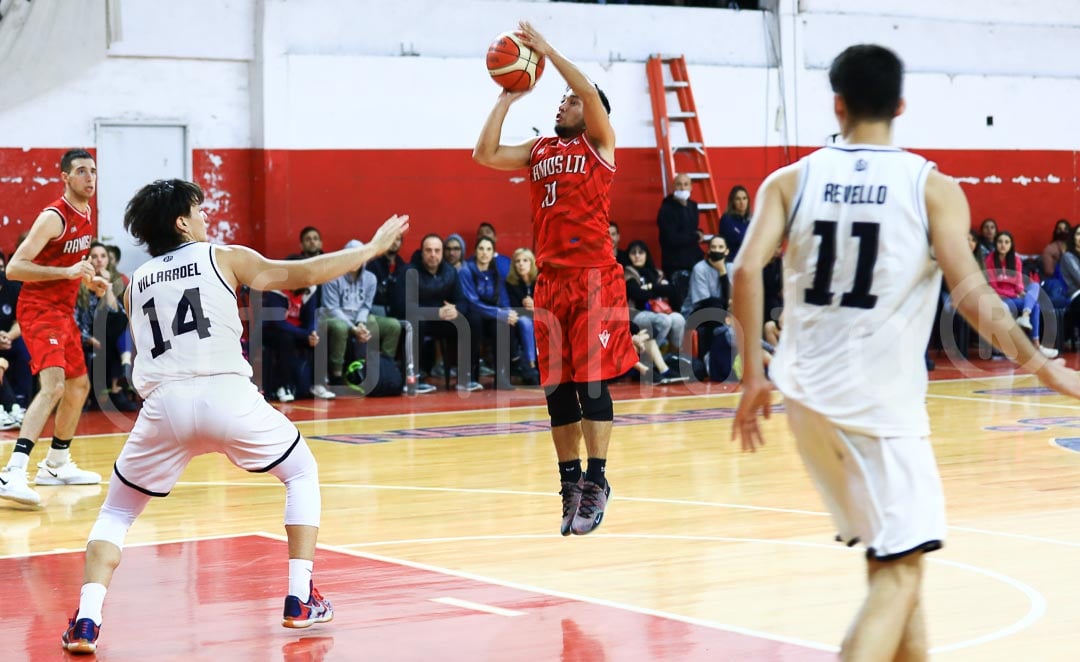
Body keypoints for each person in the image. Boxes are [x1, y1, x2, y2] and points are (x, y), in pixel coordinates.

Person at [731, 44, 1080, 661]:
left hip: (805, 401)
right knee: (901, 575)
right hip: (880, 411)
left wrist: (753, 373)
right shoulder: (931, 187)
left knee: (894, 561)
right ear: (900, 105)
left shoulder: (789, 181)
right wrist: (1044, 364)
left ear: (836, 103)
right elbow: (974, 298)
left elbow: (743, 272)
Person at [59, 178, 409, 653]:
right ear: (182, 222)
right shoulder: (222, 256)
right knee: (301, 470)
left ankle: (86, 620)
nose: (206, 217)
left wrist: (106, 291)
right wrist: (369, 249)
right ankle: (299, 597)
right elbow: (303, 272)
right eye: (199, 210)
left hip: (163, 406)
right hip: (226, 392)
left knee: (117, 512)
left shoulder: (135, 282)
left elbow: (134, 317)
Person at [474, 21, 637, 536]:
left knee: (592, 383)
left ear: (590, 113)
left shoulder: (600, 145)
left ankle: (597, 479)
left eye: (569, 101)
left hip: (594, 280)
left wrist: (547, 51)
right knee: (557, 391)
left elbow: (588, 90)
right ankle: (569, 483)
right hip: (551, 283)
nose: (562, 104)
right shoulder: (541, 148)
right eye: (561, 99)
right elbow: (485, 154)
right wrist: (508, 95)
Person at [0, 149, 107, 507]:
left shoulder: (88, 213)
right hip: (38, 310)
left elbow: (73, 263)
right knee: (55, 385)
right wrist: (65, 274)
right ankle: (12, 471)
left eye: (92, 171)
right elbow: (15, 268)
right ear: (64, 177)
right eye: (81, 171)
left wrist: (88, 281)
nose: (89, 177)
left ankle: (56, 463)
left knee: (79, 385)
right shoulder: (53, 217)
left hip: (62, 310)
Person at [322, 239, 402, 385]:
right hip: (333, 318)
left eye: (357, 256)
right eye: (350, 256)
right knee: (340, 328)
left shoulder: (371, 278)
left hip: (359, 319)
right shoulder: (332, 276)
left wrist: (360, 323)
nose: (354, 261)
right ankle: (336, 375)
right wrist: (353, 328)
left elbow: (365, 306)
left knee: (393, 325)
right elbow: (332, 308)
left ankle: (383, 368)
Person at [985, 230, 1057, 358]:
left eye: (1006, 242)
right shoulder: (990, 260)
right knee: (1026, 304)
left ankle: (1034, 341)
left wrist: (1021, 292)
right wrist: (1013, 293)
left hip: (1014, 296)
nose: (1003, 245)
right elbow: (993, 287)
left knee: (1034, 291)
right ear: (995, 244)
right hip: (1000, 298)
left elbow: (1019, 284)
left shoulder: (1016, 260)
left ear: (1011, 245)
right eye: (1000, 242)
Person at [656, 173, 703, 279]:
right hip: (675, 264)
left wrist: (699, 232)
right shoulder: (666, 209)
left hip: (693, 261)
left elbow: (691, 228)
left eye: (686, 184)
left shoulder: (693, 206)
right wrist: (696, 236)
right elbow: (671, 239)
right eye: (679, 184)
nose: (682, 188)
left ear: (691, 187)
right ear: (673, 187)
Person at [505, 247, 541, 385]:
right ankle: (531, 365)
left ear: (532, 263)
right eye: (517, 261)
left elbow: (550, 305)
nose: (521, 264)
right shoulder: (510, 283)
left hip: (541, 316)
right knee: (526, 323)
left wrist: (535, 306)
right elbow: (511, 306)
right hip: (521, 319)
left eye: (525, 260)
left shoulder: (540, 281)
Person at [717, 185, 751, 260]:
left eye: (744, 198)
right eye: (738, 199)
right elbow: (740, 240)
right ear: (732, 201)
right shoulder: (726, 220)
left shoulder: (751, 219)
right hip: (732, 261)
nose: (742, 202)